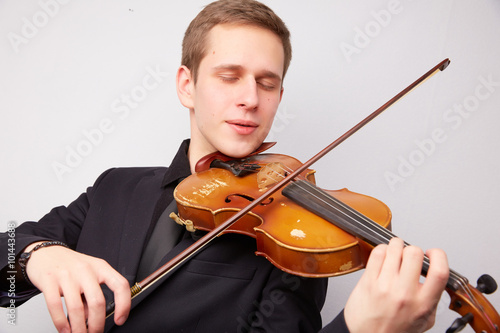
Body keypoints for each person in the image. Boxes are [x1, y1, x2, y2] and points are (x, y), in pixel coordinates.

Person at [0, 1, 449, 332]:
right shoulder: (114, 188)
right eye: (229, 76)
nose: (250, 99)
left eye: (267, 83)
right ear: (187, 85)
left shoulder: (293, 238)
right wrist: (37, 254)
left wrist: (358, 329)